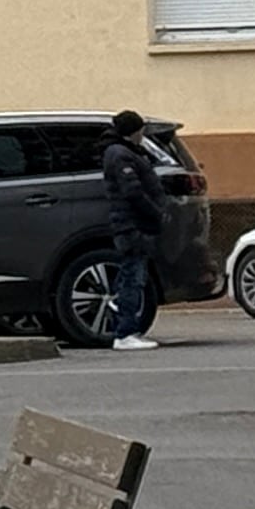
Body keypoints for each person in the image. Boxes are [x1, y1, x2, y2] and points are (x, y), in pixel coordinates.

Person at [99, 110, 166, 349]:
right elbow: (133, 191)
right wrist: (154, 212)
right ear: (133, 131)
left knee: (130, 274)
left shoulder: (122, 152)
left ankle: (125, 322)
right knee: (133, 277)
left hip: (132, 223)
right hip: (132, 224)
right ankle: (125, 332)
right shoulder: (120, 154)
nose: (143, 135)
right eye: (141, 131)